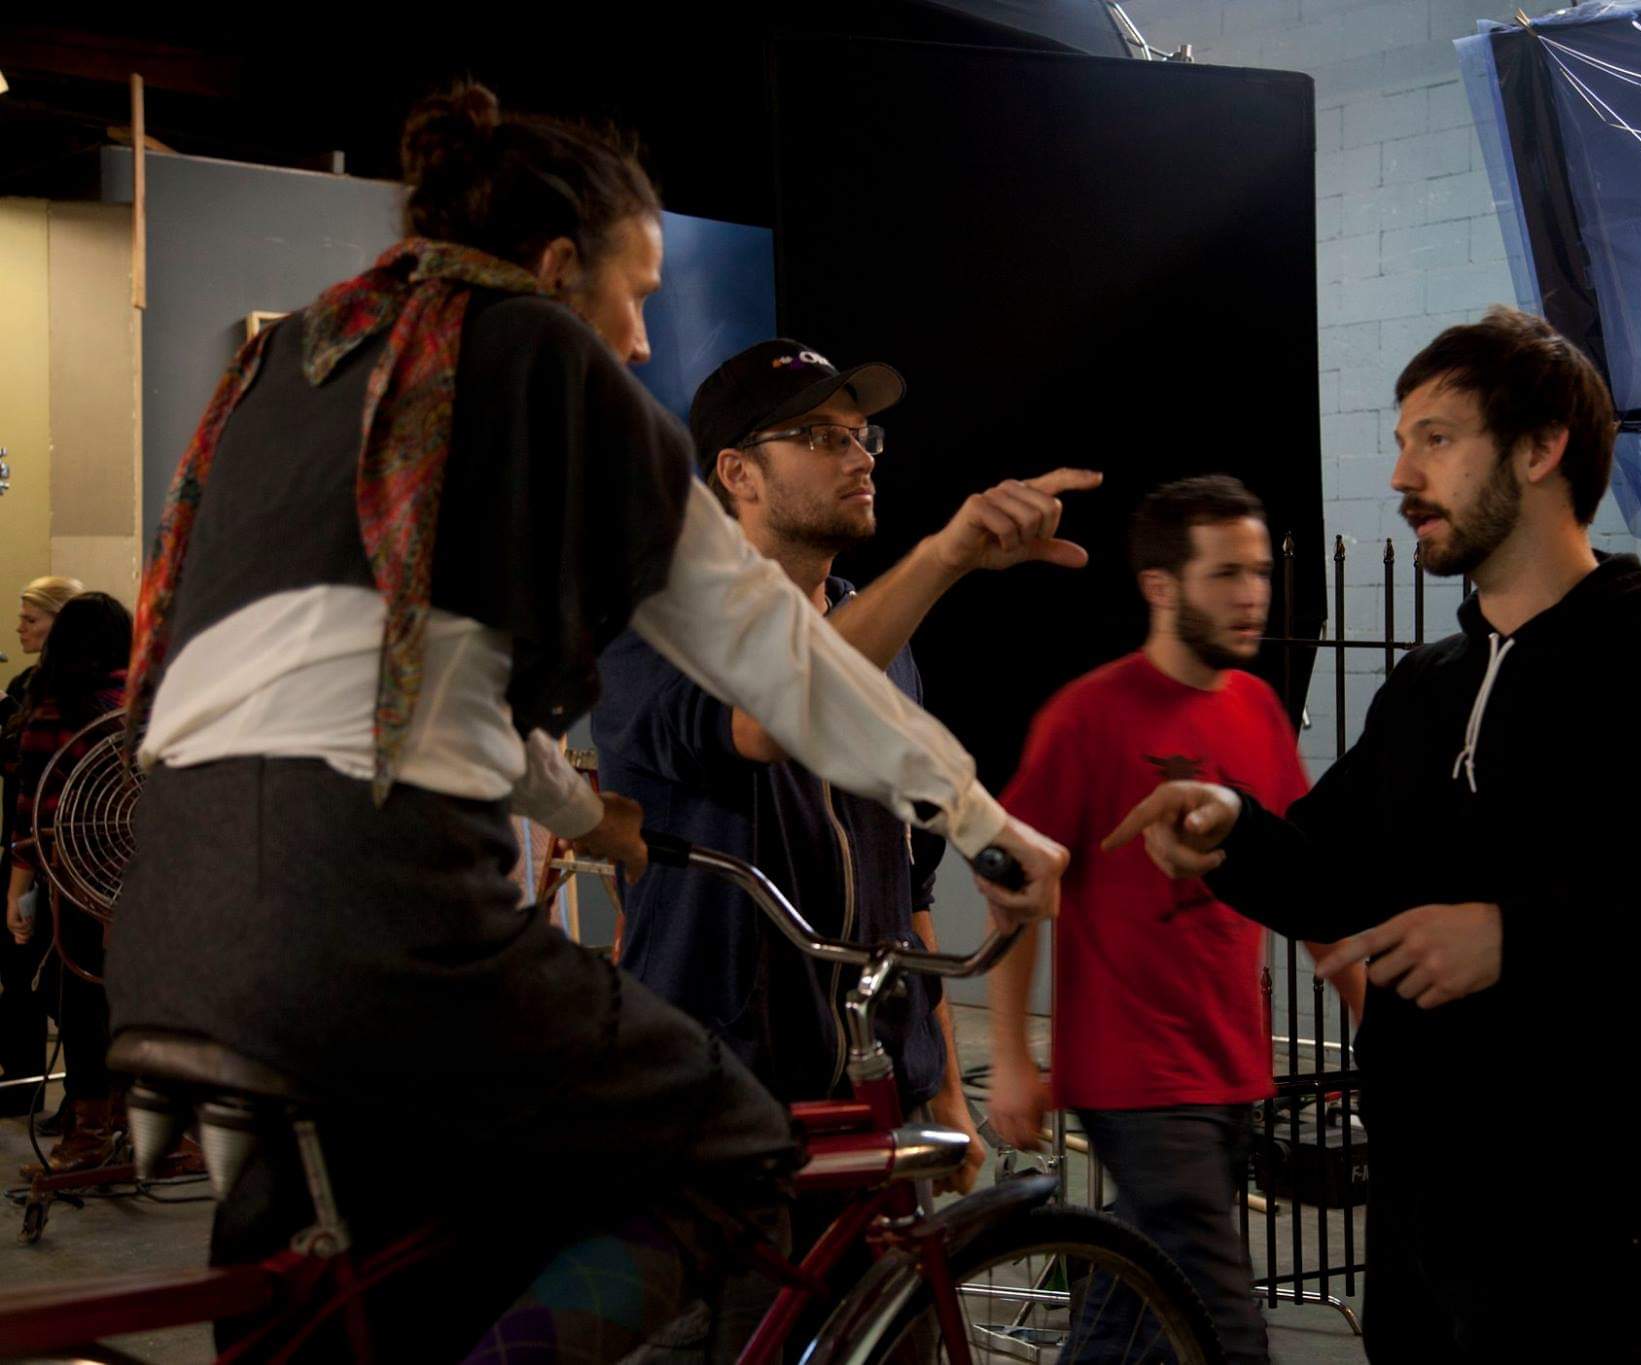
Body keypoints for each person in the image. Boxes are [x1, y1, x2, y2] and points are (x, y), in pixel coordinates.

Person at [104, 82, 1065, 1362]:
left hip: (171, 931)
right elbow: (765, 654)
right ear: (559, 268)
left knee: (338, 1297)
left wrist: (580, 811)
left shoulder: (299, 358)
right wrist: (986, 822)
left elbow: (376, 681)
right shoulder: (542, 357)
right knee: (735, 1158)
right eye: (635, 293)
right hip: (373, 915)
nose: (641, 342)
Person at [1106, 307, 1641, 1363]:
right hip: (1418, 1213)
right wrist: (1229, 830)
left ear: (1540, 448)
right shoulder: (1426, 687)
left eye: (1435, 439)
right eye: (1402, 442)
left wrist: (1514, 938)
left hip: (1589, 1234)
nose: (1401, 475)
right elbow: (1328, 877)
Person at [595, 338, 1098, 1201]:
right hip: (720, 1104)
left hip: (879, 1096)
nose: (860, 457)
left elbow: (909, 888)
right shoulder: (658, 627)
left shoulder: (884, 640)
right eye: (822, 437)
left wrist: (942, 1085)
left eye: (863, 437)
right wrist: (944, 557)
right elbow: (770, 718)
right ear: (738, 474)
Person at [985, 474, 1364, 1364]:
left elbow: (1302, 876)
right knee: (1223, 1324)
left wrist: (1363, 1002)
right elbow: (1013, 887)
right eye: (1227, 573)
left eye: (1260, 572)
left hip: (1231, 1063)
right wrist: (1009, 1057)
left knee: (1136, 1303)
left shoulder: (1256, 709)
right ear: (1161, 585)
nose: (1254, 595)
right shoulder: (1089, 716)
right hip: (1135, 1075)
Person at [6, 592, 131, 1174]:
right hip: (150, 881)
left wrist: (16, 892)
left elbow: (31, 810)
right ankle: (152, 1128)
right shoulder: (147, 705)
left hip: (78, 877)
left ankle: (89, 1133)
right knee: (144, 999)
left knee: (82, 1002)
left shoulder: (54, 709)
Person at [0, 575, 84, 1119]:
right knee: (18, 969)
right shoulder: (30, 684)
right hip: (28, 842)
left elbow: (35, 780)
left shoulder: (66, 695)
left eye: (31, 619)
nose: (19, 628)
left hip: (50, 851)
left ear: (63, 623)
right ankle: (23, 1082)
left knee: (55, 979)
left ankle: (84, 1099)